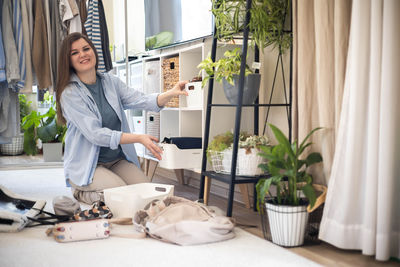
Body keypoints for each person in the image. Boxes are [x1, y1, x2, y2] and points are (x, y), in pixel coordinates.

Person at [55, 32, 188, 205]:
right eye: (75, 53)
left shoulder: (110, 82)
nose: (83, 54)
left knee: (149, 195)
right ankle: (80, 192)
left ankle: (107, 192)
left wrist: (171, 93)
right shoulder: (70, 93)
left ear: (93, 51)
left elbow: (140, 99)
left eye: (86, 49)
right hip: (89, 166)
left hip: (116, 160)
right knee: (123, 197)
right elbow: (96, 134)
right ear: (69, 61)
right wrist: (138, 138)